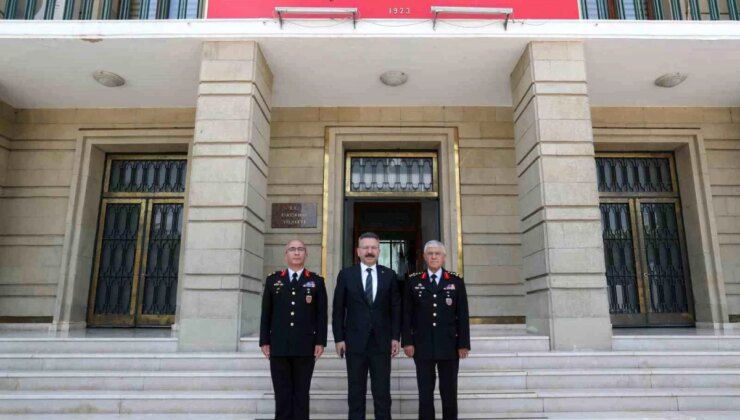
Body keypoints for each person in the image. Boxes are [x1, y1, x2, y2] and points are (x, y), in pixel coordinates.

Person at [333, 232, 401, 420]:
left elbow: (396, 309)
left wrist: (396, 337)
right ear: (358, 251)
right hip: (355, 343)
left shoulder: (389, 275)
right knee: (355, 394)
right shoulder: (346, 275)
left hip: (381, 343)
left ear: (379, 250)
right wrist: (339, 338)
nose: (369, 251)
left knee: (382, 395)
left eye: (373, 248)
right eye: (365, 247)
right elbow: (338, 309)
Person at [259, 239, 328, 420]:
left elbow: (321, 315)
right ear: (286, 255)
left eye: (300, 249)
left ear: (306, 254)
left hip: (305, 346)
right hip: (279, 346)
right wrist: (264, 340)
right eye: (292, 249)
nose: (296, 252)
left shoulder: (316, 281)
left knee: (301, 394)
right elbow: (266, 313)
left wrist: (321, 341)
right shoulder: (273, 280)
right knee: (282, 394)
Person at [402, 240, 470, 420]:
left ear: (444, 257)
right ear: (424, 257)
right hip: (422, 345)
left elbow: (462, 315)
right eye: (430, 254)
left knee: (449, 393)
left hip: (449, 345)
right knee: (425, 394)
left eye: (437, 253)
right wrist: (407, 341)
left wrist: (463, 343)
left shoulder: (455, 281)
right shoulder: (413, 281)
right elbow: (406, 315)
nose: (433, 257)